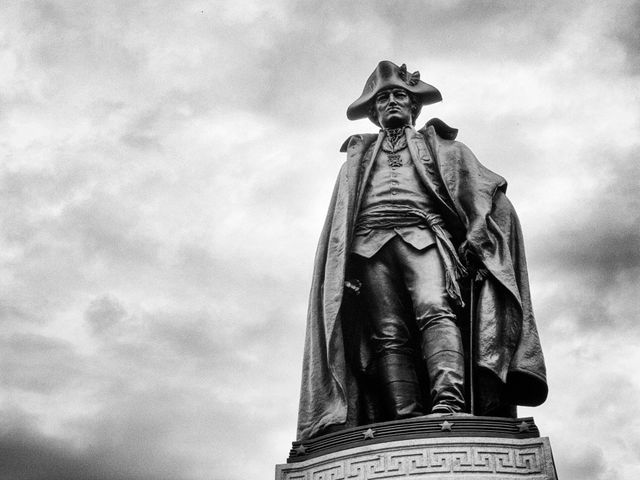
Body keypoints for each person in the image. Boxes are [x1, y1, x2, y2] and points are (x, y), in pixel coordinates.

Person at [297, 61, 548, 441]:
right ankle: (405, 415)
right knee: (387, 332)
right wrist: (342, 271)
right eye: (384, 98)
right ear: (374, 112)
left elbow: (484, 190)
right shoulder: (356, 159)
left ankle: (448, 403)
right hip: (369, 247)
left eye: (400, 95)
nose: (393, 102)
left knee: (436, 309)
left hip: (424, 236)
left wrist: (480, 233)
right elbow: (339, 227)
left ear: (414, 107)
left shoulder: (444, 148)